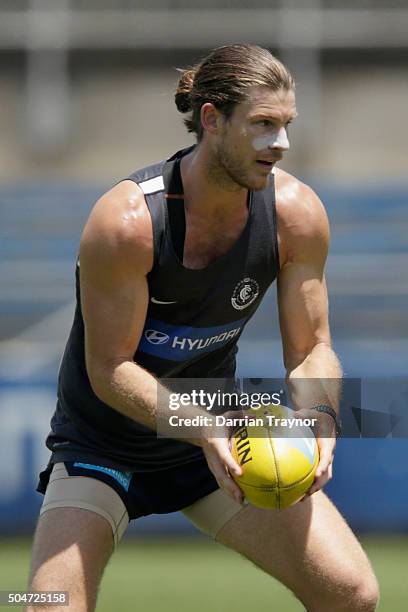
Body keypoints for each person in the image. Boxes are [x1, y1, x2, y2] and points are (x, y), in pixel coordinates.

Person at [27, 44, 379, 611]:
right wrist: (203, 429)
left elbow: (312, 348)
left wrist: (320, 418)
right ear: (211, 119)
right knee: (42, 605)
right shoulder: (126, 223)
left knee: (352, 595)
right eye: (263, 124)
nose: (281, 144)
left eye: (286, 125)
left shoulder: (297, 215)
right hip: (104, 443)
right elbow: (110, 369)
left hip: (221, 441)